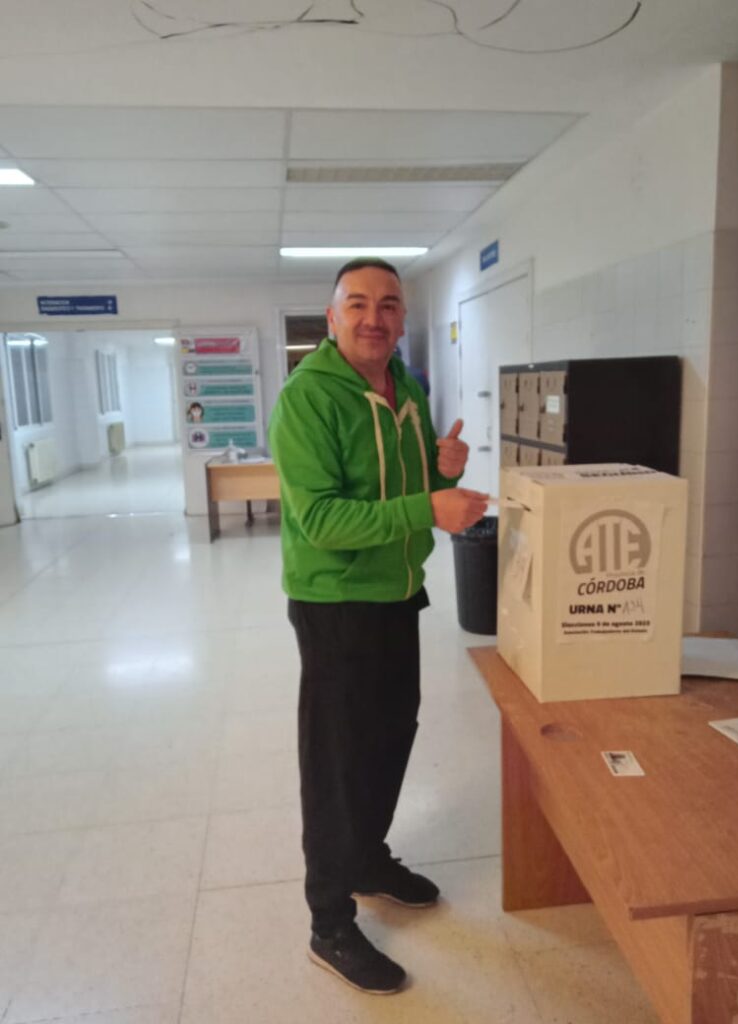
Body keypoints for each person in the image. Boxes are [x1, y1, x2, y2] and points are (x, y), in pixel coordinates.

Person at [268, 257, 488, 995]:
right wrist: (430, 506)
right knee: (337, 760)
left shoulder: (407, 386)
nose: (374, 317)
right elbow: (324, 520)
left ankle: (366, 858)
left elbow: (415, 488)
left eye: (388, 304)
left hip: (398, 592)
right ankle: (328, 922)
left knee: (391, 734)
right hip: (335, 602)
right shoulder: (307, 399)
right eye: (357, 304)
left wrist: (445, 470)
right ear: (332, 318)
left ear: (401, 318)